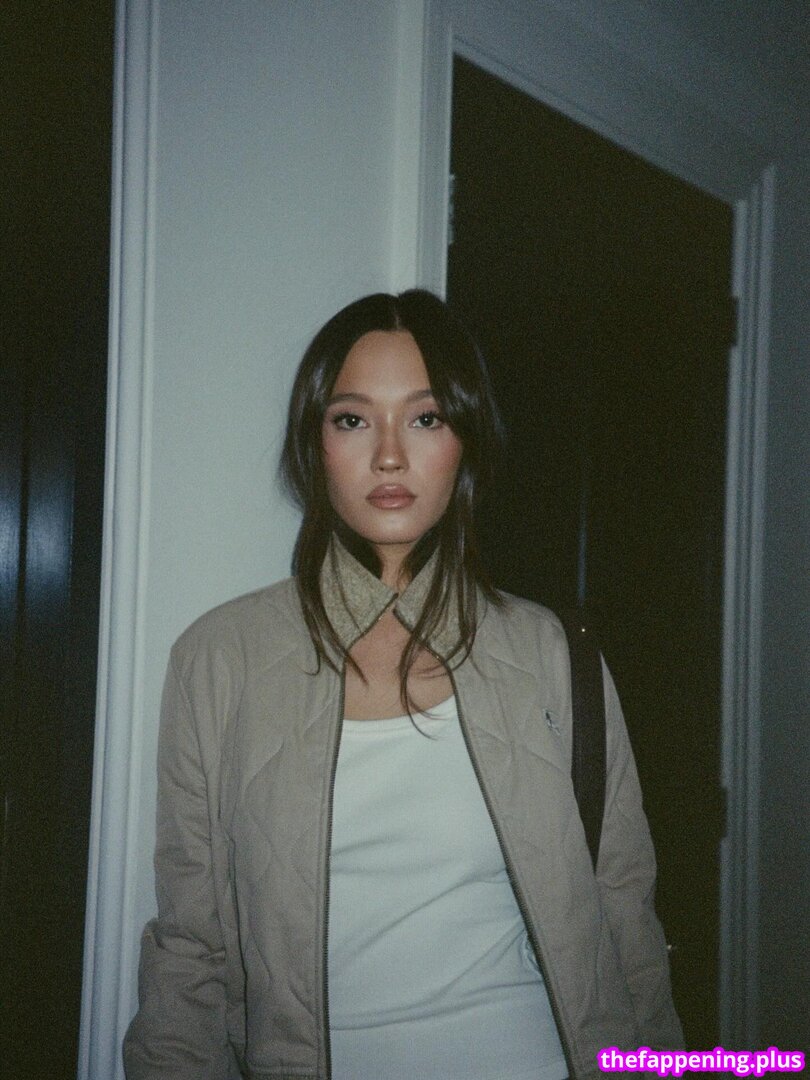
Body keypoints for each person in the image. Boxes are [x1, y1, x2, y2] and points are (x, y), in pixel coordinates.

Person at [124, 290, 683, 1080]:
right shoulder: (218, 661)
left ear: (466, 441)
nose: (389, 456)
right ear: (314, 444)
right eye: (353, 419)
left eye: (425, 418)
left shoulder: (554, 653)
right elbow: (191, 950)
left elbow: (624, 911)